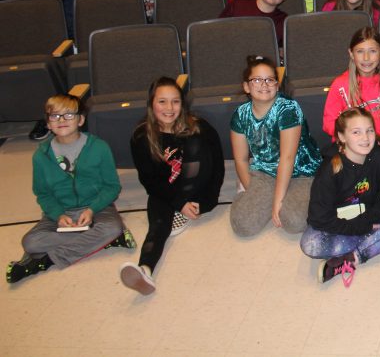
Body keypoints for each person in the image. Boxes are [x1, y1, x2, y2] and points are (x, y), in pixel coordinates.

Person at [6, 94, 134, 284]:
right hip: (61, 211)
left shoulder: (99, 147)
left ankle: (46, 261)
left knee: (112, 227)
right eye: (55, 116)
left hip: (97, 207)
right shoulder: (41, 156)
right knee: (30, 242)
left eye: (68, 115)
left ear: (81, 120)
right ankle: (105, 240)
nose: (62, 121)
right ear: (48, 123)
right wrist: (58, 215)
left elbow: (112, 187)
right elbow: (43, 193)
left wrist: (92, 209)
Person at [120, 78, 224, 294]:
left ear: (182, 104)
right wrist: (178, 202)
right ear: (151, 104)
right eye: (162, 102)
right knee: (158, 227)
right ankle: (145, 270)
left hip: (197, 187)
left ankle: (181, 211)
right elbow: (149, 181)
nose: (169, 108)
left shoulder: (200, 127)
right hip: (166, 191)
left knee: (194, 141)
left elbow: (217, 167)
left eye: (175, 102)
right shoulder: (141, 136)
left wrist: (207, 202)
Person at [301, 107, 380, 285]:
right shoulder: (330, 169)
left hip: (373, 214)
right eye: (356, 132)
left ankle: (353, 257)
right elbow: (319, 218)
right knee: (311, 244)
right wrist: (363, 226)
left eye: (369, 131)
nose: (365, 138)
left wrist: (370, 219)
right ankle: (379, 242)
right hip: (344, 222)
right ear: (342, 136)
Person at [230, 55, 321, 236]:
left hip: (300, 171)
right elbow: (240, 159)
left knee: (293, 222)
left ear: (277, 85)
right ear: (246, 86)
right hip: (264, 171)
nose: (264, 85)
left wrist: (277, 201)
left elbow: (287, 158)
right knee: (242, 225)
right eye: (257, 80)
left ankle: (306, 190)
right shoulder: (240, 114)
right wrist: (252, 191)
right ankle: (264, 192)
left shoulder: (288, 109)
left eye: (270, 80)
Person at [322, 27, 380, 150]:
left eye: (372, 51)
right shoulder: (339, 84)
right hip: (349, 149)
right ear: (351, 54)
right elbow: (329, 123)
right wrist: (351, 141)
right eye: (360, 51)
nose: (366, 58)